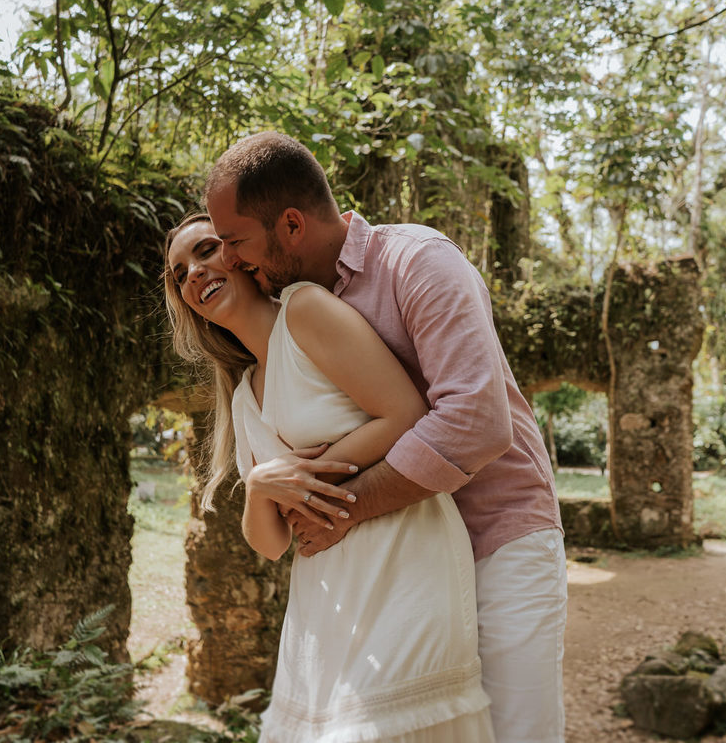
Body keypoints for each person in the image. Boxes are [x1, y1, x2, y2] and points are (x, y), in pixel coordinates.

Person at [204, 131, 567, 743]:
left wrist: (347, 507)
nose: (232, 260)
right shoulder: (290, 315)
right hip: (402, 569)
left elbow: (476, 419)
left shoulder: (418, 261)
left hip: (497, 537)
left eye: (236, 241)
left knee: (514, 732)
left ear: (291, 224)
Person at [164, 214, 496, 742]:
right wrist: (259, 491)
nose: (195, 273)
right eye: (179, 272)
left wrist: (302, 479)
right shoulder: (244, 393)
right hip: (324, 594)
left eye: (207, 251)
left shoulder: (305, 310)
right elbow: (271, 542)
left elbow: (405, 413)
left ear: (241, 257)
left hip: (402, 555)